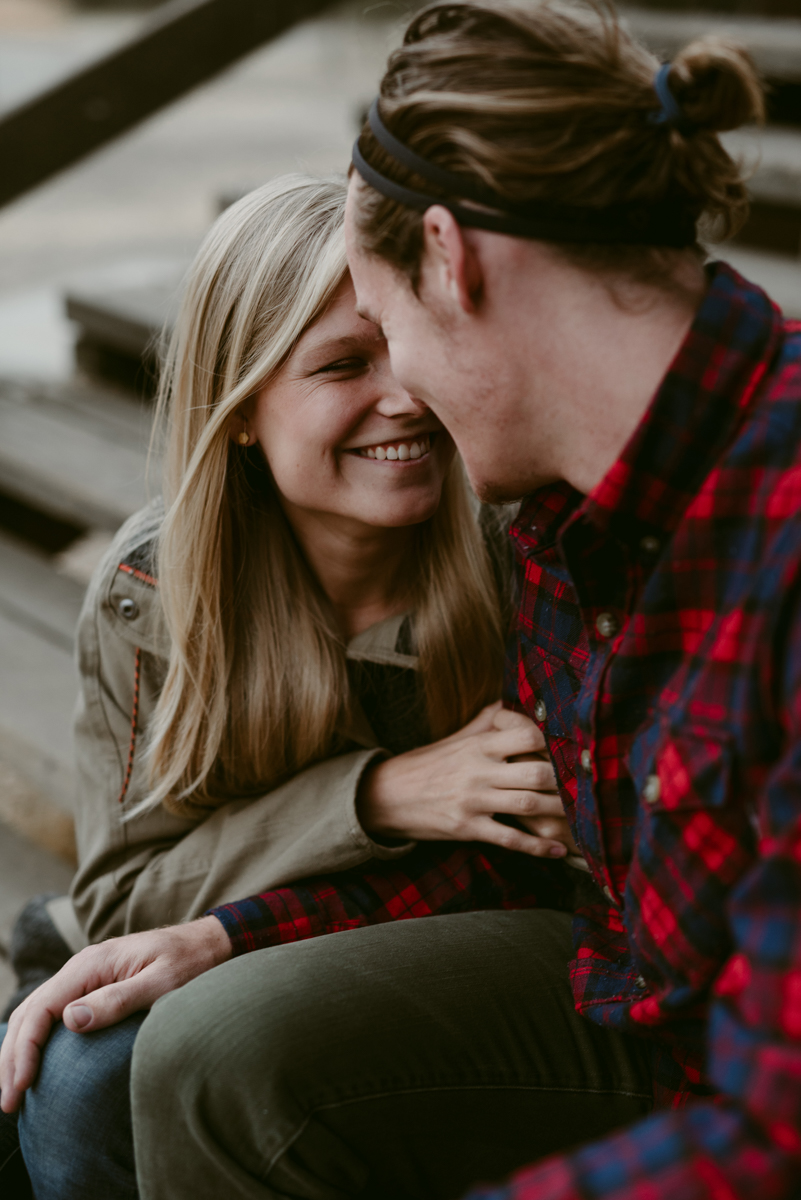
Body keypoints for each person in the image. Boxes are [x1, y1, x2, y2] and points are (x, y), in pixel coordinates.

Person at [7, 1, 795, 1197]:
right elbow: (558, 857)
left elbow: (768, 1124)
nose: (406, 395)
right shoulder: (573, 509)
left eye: (386, 331)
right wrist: (222, 934)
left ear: (450, 258)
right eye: (344, 359)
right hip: (620, 985)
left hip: (711, 1069)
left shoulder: (631, 524)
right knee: (159, 1057)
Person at [0, 171, 576, 1198]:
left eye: (409, 348)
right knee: (70, 1076)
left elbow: (537, 861)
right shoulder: (159, 587)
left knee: (119, 1071)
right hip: (248, 939)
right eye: (343, 364)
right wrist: (382, 794)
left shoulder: (510, 546)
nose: (403, 395)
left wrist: (241, 918)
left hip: (445, 948)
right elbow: (124, 894)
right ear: (242, 411)